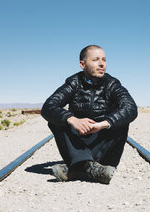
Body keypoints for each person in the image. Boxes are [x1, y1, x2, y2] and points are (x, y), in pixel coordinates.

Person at [41, 45, 138, 184]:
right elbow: (48, 107)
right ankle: (89, 168)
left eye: (104, 60)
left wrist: (102, 125)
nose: (101, 64)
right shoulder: (73, 83)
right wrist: (72, 120)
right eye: (95, 59)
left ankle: (77, 168)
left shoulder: (112, 84)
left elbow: (131, 108)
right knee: (57, 119)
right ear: (82, 64)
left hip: (102, 143)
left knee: (120, 120)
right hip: (80, 140)